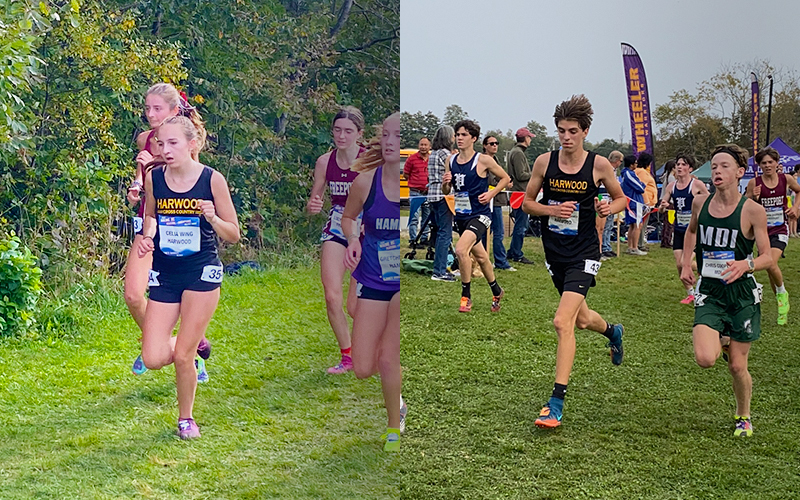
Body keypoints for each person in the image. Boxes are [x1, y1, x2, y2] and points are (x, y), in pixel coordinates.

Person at [522, 95, 627, 428]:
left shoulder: (598, 165)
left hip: (584, 252)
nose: (565, 137)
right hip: (555, 253)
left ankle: (555, 403)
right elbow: (526, 204)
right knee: (581, 320)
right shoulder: (543, 162)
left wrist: (611, 207)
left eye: (571, 131)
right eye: (561, 131)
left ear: (584, 132)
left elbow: (621, 197)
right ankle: (613, 332)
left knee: (562, 321)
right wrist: (551, 209)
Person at [137, 115, 240, 439]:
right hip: (166, 273)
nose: (165, 150)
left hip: (201, 271)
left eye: (173, 143)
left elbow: (234, 234)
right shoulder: (156, 178)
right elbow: (151, 215)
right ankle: (194, 344)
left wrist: (211, 217)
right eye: (161, 144)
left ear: (192, 144)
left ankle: (186, 419)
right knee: (153, 357)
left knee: (182, 355)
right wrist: (147, 236)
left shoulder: (211, 179)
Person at [680, 144, 772, 438]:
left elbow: (768, 256)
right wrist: (685, 261)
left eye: (724, 166)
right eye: (714, 166)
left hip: (743, 295)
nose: (717, 171)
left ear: (740, 173)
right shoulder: (700, 203)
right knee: (706, 358)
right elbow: (691, 231)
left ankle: (743, 415)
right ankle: (722, 333)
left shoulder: (753, 211)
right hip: (710, 291)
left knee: (736, 366)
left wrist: (746, 264)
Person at [129, 83, 211, 377]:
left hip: (177, 228)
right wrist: (136, 185)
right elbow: (144, 179)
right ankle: (169, 342)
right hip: (147, 224)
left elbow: (189, 178)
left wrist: (155, 162)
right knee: (133, 296)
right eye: (147, 108)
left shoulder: (186, 139)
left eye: (157, 108)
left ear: (174, 110)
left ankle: (186, 351)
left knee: (176, 291)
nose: (150, 114)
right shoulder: (144, 138)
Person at [343, 113, 403, 452]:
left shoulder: (418, 186)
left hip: (402, 286)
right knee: (364, 367)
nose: (391, 141)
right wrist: (353, 239)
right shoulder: (366, 181)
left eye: (398, 135)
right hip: (374, 278)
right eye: (386, 134)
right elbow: (349, 218)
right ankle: (400, 397)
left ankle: (393, 425)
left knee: (386, 359)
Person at [306, 106, 364, 374]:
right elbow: (314, 199)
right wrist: (313, 205)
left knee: (355, 307)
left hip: (366, 229)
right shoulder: (324, 161)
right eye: (338, 130)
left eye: (348, 131)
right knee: (331, 296)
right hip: (337, 226)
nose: (342, 136)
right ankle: (348, 356)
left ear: (359, 134)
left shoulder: (369, 161)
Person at [442, 120, 511, 313]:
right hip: (462, 215)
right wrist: (446, 183)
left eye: (464, 135)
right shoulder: (451, 160)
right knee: (481, 257)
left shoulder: (483, 160)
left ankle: (466, 297)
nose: (459, 138)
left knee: (461, 250)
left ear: (473, 138)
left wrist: (491, 193)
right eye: (457, 134)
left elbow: (506, 178)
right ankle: (497, 291)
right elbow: (446, 189)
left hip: (481, 215)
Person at [744, 146, 800, 325]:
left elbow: (798, 191)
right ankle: (780, 303)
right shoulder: (755, 183)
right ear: (759, 165)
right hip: (759, 231)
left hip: (778, 229)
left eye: (770, 162)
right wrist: (753, 197)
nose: (767, 165)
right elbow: (744, 204)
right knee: (769, 268)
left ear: (777, 163)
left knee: (770, 262)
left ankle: (782, 293)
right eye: (763, 163)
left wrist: (796, 207)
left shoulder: (786, 179)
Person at [659, 153, 708, 304]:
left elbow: (710, 200)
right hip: (679, 229)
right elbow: (661, 207)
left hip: (693, 231)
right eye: (678, 164)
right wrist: (663, 206)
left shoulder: (696, 185)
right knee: (679, 265)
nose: (679, 167)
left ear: (690, 169)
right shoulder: (671, 186)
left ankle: (707, 270)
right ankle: (691, 293)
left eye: (683, 165)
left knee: (684, 262)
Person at [428, 125, 456, 282]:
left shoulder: (433, 154)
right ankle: (439, 271)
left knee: (440, 232)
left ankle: (439, 268)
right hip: (444, 195)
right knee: (445, 233)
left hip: (433, 195)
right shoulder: (446, 154)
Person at [482, 134, 515, 271]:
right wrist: (503, 183)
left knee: (495, 233)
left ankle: (497, 261)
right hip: (489, 201)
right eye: (491, 143)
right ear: (485, 146)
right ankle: (497, 261)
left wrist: (507, 182)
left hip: (497, 201)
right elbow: (488, 181)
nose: (495, 145)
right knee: (493, 232)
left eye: (496, 143)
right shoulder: (484, 160)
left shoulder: (495, 160)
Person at [506, 128, 536, 265]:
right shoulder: (518, 153)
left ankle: (513, 251)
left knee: (520, 224)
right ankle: (517, 253)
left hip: (518, 193)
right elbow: (521, 175)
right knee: (521, 226)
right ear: (525, 139)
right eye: (529, 137)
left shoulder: (515, 152)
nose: (530, 140)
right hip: (520, 193)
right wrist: (535, 173)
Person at [403, 137, 431, 243]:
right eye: (421, 145)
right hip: (415, 192)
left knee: (427, 217)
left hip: (428, 193)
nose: (423, 147)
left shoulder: (432, 158)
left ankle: (424, 239)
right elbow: (406, 174)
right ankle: (413, 239)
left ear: (430, 146)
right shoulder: (412, 158)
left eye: (425, 145)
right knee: (414, 217)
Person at [620, 154, 647, 255]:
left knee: (633, 225)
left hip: (632, 202)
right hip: (634, 202)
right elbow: (640, 187)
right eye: (635, 163)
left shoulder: (627, 174)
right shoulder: (629, 174)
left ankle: (631, 247)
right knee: (637, 225)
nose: (637, 164)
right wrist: (643, 184)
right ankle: (634, 248)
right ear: (631, 164)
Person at [599, 150, 623, 260]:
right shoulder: (606, 169)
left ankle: (607, 246)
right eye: (620, 161)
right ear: (617, 160)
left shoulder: (614, 170)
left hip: (611, 200)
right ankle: (603, 248)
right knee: (603, 227)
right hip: (604, 199)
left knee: (608, 226)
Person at [635, 153, 658, 252]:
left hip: (648, 202)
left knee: (643, 225)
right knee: (641, 224)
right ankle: (639, 244)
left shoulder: (642, 172)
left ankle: (640, 243)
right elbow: (642, 187)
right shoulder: (642, 172)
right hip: (645, 202)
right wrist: (647, 202)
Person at [660, 160, 677, 248]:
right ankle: (667, 241)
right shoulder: (671, 178)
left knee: (667, 222)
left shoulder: (666, 176)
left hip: (665, 201)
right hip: (669, 202)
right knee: (669, 223)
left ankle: (665, 240)